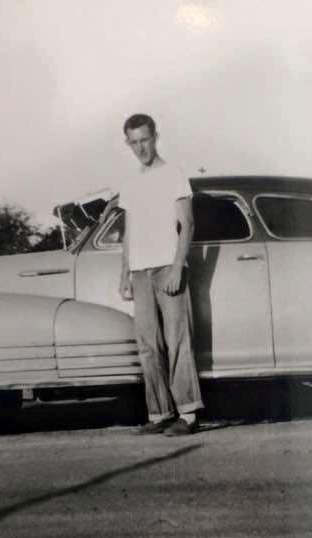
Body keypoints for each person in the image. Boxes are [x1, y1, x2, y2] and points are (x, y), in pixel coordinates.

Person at [118, 113, 204, 436]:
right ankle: (160, 414)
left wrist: (177, 267)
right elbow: (128, 232)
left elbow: (188, 224)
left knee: (178, 340)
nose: (141, 147)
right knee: (148, 345)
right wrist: (124, 273)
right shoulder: (129, 183)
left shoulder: (174, 175)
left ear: (155, 137)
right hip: (139, 272)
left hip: (167, 268)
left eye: (145, 140)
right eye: (134, 142)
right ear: (128, 143)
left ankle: (189, 414)